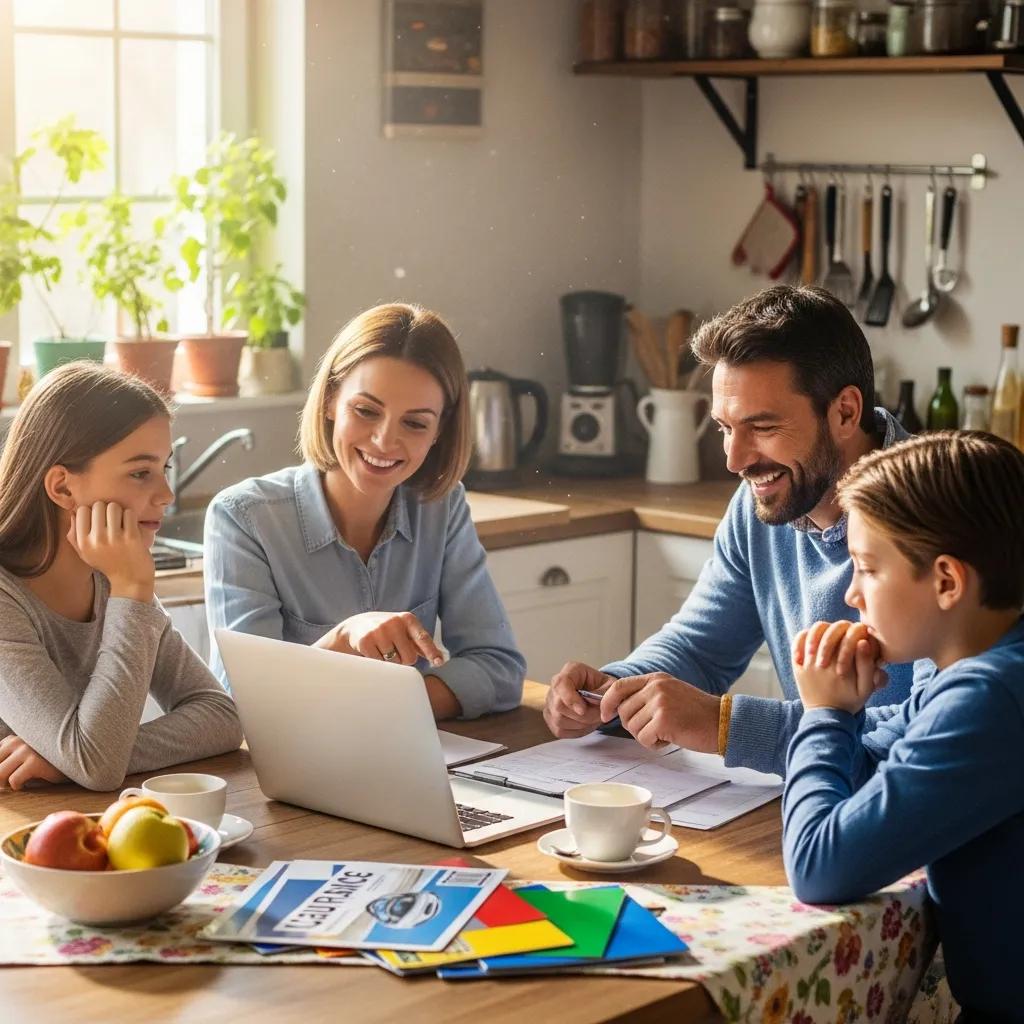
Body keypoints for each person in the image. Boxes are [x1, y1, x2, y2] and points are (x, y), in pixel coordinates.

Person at [543, 285, 915, 777]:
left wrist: (725, 725)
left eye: (762, 427)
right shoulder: (767, 499)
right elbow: (701, 647)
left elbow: (931, 742)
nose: (734, 460)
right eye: (724, 427)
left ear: (845, 411)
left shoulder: (944, 513)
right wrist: (613, 691)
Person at [783, 431, 1024, 1021]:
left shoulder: (988, 697)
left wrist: (826, 712)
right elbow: (875, 790)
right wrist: (845, 712)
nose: (850, 594)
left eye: (867, 568)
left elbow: (818, 866)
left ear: (946, 582)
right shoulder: (971, 668)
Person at [204, 302, 524, 720]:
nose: (384, 441)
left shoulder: (442, 508)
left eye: (415, 423)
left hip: (409, 763)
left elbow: (500, 670)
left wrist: (387, 707)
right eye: (366, 411)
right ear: (331, 400)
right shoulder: (243, 518)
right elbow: (244, 703)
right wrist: (342, 639)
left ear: (439, 432)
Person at [0, 363, 243, 792]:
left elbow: (221, 716)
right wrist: (133, 592)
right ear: (62, 488)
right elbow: (95, 763)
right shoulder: (117, 583)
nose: (166, 495)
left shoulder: (113, 577)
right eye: (140, 472)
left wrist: (68, 758)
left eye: (163, 469)